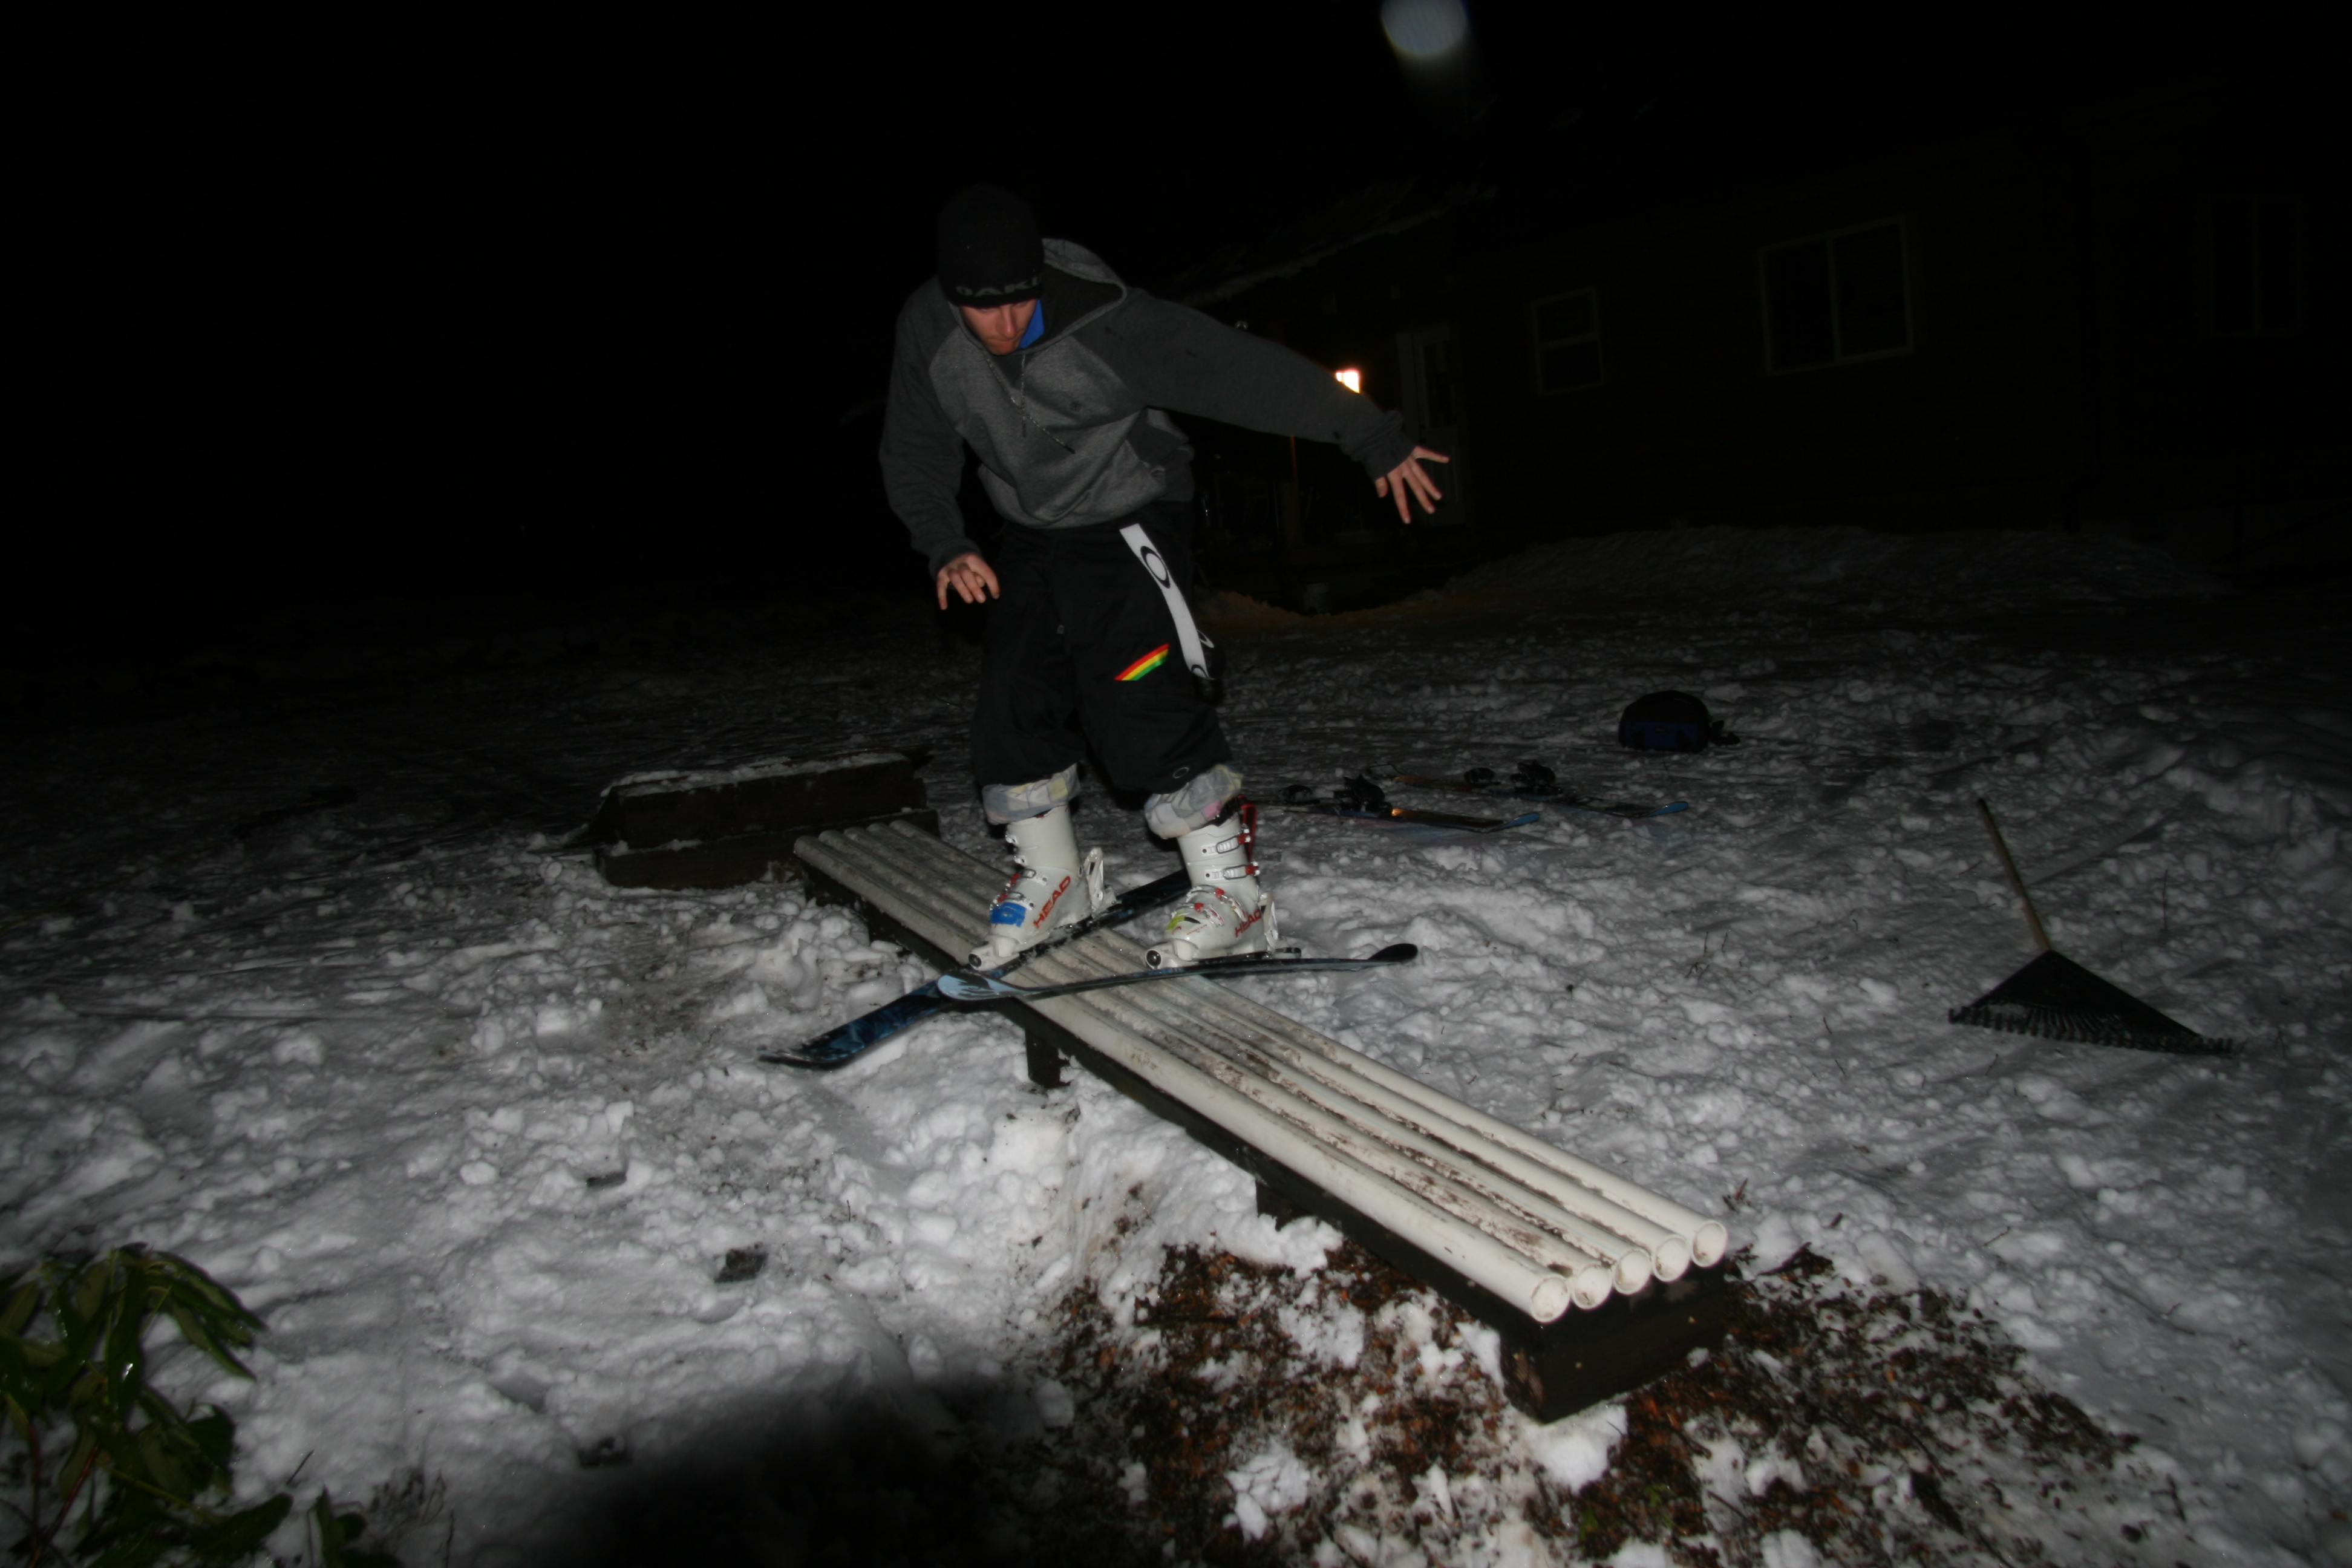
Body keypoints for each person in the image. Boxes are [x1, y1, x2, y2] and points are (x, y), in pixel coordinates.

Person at [880, 185, 1448, 970]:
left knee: (1134, 689)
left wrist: (1370, 435)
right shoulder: (928, 331)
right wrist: (944, 542)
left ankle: (1234, 895)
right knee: (1013, 696)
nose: (1006, 325)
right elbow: (913, 446)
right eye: (984, 309)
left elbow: (1239, 370)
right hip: (1033, 528)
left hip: (1134, 512)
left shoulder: (1111, 323)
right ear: (952, 295)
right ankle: (1055, 879)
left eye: (1018, 301)